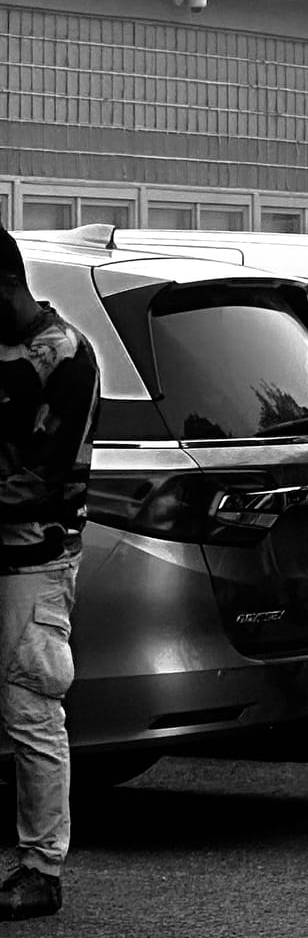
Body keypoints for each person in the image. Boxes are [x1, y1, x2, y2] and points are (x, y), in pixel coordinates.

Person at [0, 225, 99, 922]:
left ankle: (40, 867)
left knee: (31, 707)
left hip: (35, 554)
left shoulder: (63, 355)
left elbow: (41, 476)